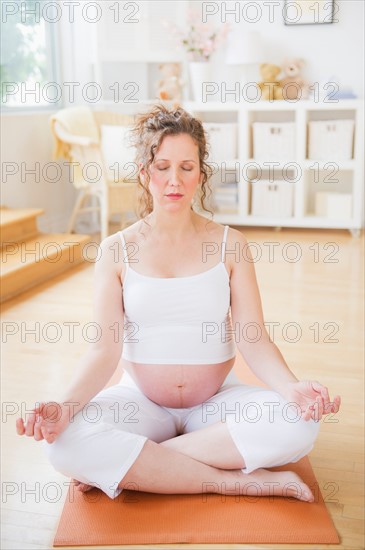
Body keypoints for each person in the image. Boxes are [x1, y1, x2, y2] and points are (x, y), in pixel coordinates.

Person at [16, 103, 341, 502]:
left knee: (299, 424)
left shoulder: (231, 244)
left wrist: (292, 389)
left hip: (216, 402)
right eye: (162, 166)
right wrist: (65, 408)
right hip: (141, 402)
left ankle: (144, 466)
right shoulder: (115, 250)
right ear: (143, 173)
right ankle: (238, 482)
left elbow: (253, 339)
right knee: (64, 445)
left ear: (200, 174)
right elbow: (103, 349)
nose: (174, 180)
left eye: (187, 167)